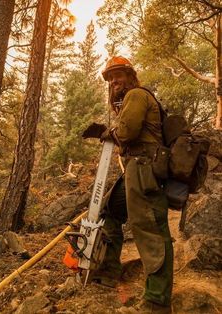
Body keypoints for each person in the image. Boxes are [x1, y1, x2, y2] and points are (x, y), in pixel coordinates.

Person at [86, 56, 173, 314]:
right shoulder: (127, 100)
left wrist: (108, 132)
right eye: (110, 78)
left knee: (150, 227)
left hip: (146, 168)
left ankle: (157, 300)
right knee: (110, 212)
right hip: (135, 168)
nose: (114, 81)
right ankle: (109, 272)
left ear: (130, 76)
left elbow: (126, 132)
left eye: (118, 75)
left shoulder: (136, 94)